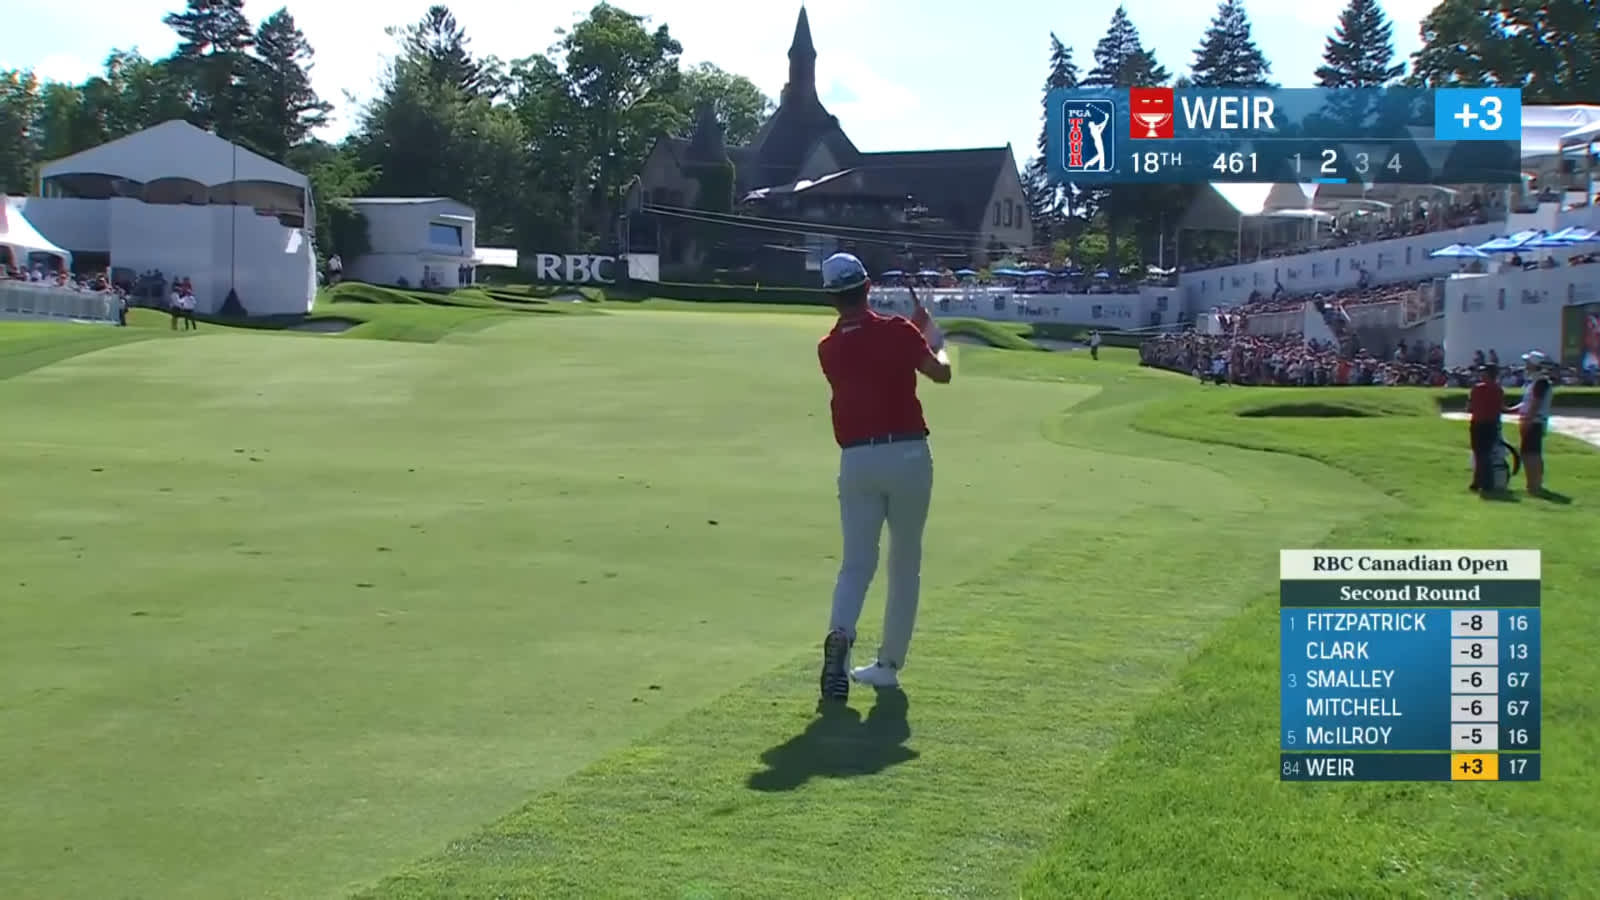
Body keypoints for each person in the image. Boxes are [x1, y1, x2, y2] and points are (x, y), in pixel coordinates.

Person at [815, 253, 951, 702]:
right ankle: (888, 665)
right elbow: (942, 374)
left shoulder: (828, 348)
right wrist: (932, 334)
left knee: (856, 563)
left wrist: (915, 333)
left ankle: (840, 632)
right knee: (904, 564)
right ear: (868, 286)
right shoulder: (899, 330)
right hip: (909, 454)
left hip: (856, 461)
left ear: (833, 297)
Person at [1509, 351, 1553, 494]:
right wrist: (1509, 410)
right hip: (1532, 420)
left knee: (1531, 454)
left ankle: (1534, 485)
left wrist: (1527, 420)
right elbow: (1526, 404)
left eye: (1528, 363)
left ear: (1534, 365)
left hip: (1534, 421)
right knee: (1530, 453)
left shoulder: (1541, 382)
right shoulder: (1534, 382)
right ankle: (1533, 484)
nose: (1526, 365)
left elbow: (1535, 404)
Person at [1467, 363, 1504, 492]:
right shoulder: (1499, 390)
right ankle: (1484, 481)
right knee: (1486, 453)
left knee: (1479, 453)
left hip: (1478, 423)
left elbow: (1470, 407)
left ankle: (1481, 482)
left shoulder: (1477, 388)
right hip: (1492, 424)